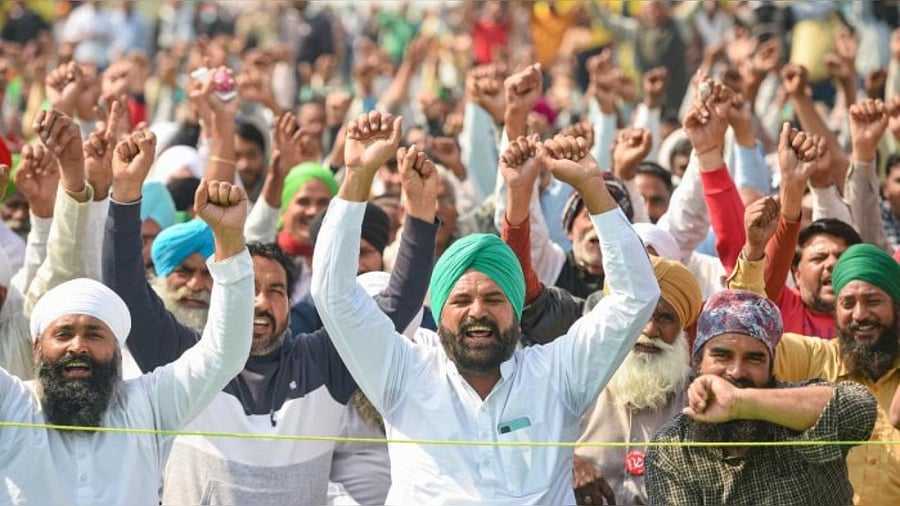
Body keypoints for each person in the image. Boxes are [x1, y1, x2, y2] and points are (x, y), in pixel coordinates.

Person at [312, 112, 659, 504]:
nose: (478, 311)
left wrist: (593, 189)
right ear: (438, 313)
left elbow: (636, 298)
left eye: (494, 299)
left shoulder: (557, 375)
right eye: (461, 300)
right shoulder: (402, 373)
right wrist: (357, 176)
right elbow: (334, 294)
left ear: (515, 309)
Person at [97, 111, 436, 505]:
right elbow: (128, 294)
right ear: (224, 289)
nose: (260, 301)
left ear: (291, 305)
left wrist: (401, 204)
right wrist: (123, 195)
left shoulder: (323, 364)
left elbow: (396, 309)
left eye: (276, 289)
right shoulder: (186, 361)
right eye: (250, 287)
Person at [0, 172, 255, 504]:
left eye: (94, 334)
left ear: (119, 351)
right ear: (37, 348)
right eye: (63, 334)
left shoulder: (148, 406)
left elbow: (225, 354)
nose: (78, 346)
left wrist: (230, 242)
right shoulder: (13, 404)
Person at [645, 289, 876, 505]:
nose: (736, 371)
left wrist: (739, 403)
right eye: (722, 356)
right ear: (697, 362)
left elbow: (861, 410)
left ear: (771, 364)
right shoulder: (673, 446)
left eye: (754, 358)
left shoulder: (797, 407)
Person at [574, 255, 702, 506]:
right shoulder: (578, 380)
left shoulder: (696, 398)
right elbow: (522, 439)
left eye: (666, 318)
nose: (650, 330)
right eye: (641, 316)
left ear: (682, 327)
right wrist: (567, 463)